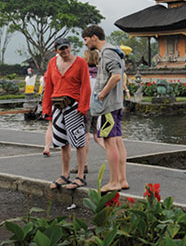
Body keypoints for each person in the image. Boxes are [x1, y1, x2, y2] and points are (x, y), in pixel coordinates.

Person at [82, 25, 129, 193]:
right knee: (117, 141)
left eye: (86, 39)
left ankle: (114, 181)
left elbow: (116, 76)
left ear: (94, 37)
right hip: (115, 104)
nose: (85, 43)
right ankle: (122, 179)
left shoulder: (108, 53)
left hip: (107, 106)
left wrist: (102, 94)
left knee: (109, 142)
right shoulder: (114, 51)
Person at [42, 38, 91, 190]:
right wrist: (46, 109)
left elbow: (86, 86)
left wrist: (83, 108)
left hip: (74, 106)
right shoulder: (52, 63)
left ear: (70, 47)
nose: (64, 51)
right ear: (56, 50)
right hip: (57, 106)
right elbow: (49, 87)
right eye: (61, 49)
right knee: (62, 142)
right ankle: (65, 174)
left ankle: (80, 175)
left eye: (66, 47)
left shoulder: (80, 62)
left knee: (79, 142)